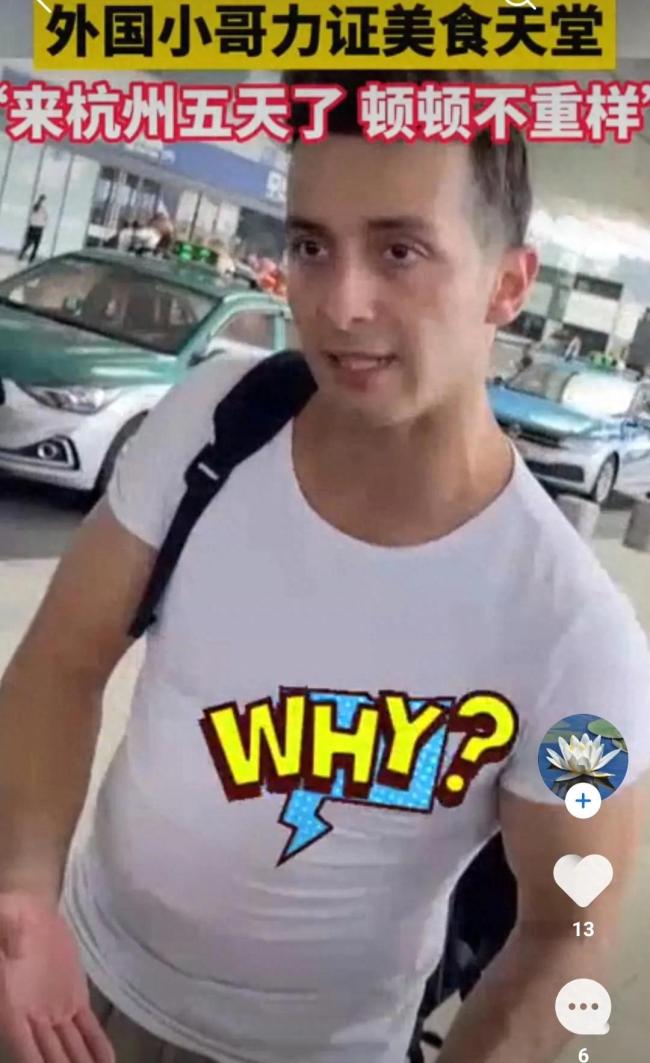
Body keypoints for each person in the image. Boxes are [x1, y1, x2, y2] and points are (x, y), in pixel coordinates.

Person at [1, 67, 649, 1063]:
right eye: (311, 245)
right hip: (74, 995)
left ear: (507, 285)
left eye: (399, 249)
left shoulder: (574, 631)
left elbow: (568, 925)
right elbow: (60, 663)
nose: (340, 303)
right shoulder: (215, 427)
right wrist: (24, 895)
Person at [17, 194, 47, 263]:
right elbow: (36, 208)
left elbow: (45, 218)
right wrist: (40, 200)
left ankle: (31, 258)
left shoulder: (43, 209)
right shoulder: (36, 206)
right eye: (42, 199)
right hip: (34, 227)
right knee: (29, 243)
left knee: (36, 245)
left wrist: (44, 225)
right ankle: (21, 255)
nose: (43, 201)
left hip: (39, 228)